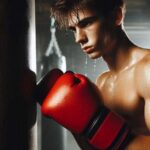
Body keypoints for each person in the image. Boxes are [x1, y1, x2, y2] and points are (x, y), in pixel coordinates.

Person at [49, 0, 150, 149]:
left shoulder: (146, 71)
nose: (79, 38)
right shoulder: (102, 83)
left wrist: (116, 139)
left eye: (86, 24)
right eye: (73, 30)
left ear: (116, 16)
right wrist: (76, 125)